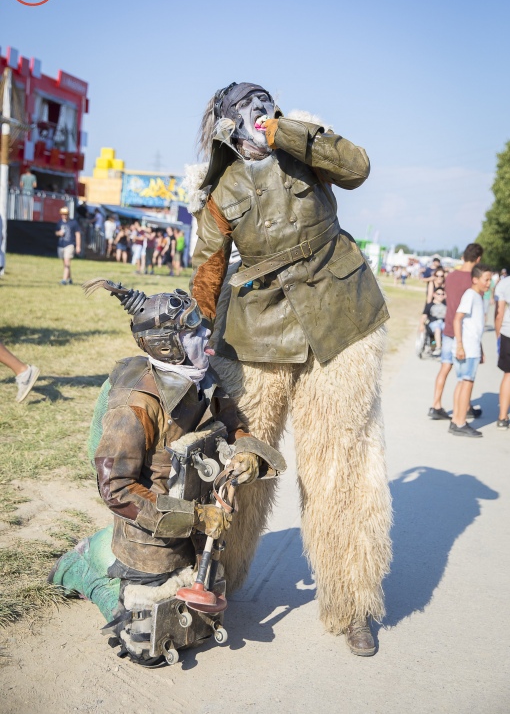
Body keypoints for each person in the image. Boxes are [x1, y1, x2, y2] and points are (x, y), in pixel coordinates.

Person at [188, 82, 391, 656]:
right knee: (243, 461)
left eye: (264, 102)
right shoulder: (222, 190)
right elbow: (207, 270)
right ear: (228, 127)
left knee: (340, 468)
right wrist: (194, 336)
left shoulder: (306, 146)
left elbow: (357, 167)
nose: (258, 112)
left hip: (341, 320)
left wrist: (287, 132)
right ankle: (218, 576)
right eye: (246, 109)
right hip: (259, 336)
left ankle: (352, 602)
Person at [49, 280, 285, 666]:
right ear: (165, 344)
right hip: (150, 535)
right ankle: (82, 569)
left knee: (204, 617)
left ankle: (104, 551)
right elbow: (115, 487)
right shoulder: (136, 405)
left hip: (194, 531)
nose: (207, 332)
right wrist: (195, 516)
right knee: (148, 645)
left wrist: (246, 453)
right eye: (193, 328)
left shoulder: (202, 377)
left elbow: (231, 420)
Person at [428, 243, 484, 420]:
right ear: (478, 259)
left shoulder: (451, 276)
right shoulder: (474, 280)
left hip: (448, 327)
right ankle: (464, 408)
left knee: (445, 367)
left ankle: (435, 405)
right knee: (466, 376)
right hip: (464, 333)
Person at [449, 265, 492, 437]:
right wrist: (460, 344)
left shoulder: (477, 296)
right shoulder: (471, 295)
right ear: (475, 279)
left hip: (471, 347)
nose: (489, 283)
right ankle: (460, 422)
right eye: (486, 279)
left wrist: (480, 348)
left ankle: (456, 421)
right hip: (467, 349)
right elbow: (457, 319)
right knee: (467, 383)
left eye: (490, 280)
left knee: (462, 382)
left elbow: (475, 327)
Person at [495, 273, 510, 429]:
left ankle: (502, 417)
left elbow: (499, 313)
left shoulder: (505, 283)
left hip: (508, 332)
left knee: (508, 374)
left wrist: (498, 336)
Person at [55, 206, 81, 285]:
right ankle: (69, 278)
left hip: (70, 245)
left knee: (67, 262)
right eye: (63, 214)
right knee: (65, 263)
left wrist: (78, 246)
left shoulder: (73, 223)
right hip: (61, 245)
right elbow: (56, 232)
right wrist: (59, 233)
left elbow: (78, 234)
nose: (64, 215)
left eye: (66, 214)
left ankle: (64, 280)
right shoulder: (60, 222)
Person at [419, 287, 447, 354]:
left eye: (442, 294)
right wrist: (422, 324)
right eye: (438, 294)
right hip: (433, 323)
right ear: (434, 294)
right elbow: (424, 316)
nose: (440, 296)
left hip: (443, 323)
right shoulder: (429, 305)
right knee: (437, 328)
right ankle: (438, 347)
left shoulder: (446, 305)